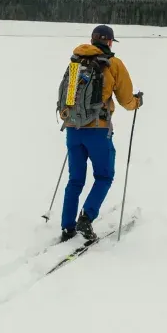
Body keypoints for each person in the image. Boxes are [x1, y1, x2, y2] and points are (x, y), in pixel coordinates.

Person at [58, 24, 142, 243]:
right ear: (110, 42)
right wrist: (137, 102)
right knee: (104, 176)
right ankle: (86, 217)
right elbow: (126, 100)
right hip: (98, 129)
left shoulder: (76, 61)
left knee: (75, 180)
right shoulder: (113, 64)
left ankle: (67, 226)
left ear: (92, 40)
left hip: (73, 128)